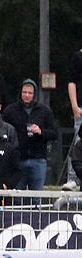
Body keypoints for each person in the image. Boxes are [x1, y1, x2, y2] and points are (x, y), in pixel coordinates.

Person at [1, 79, 57, 191]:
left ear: (34, 94)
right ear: (20, 93)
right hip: (17, 159)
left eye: (30, 93)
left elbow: (54, 134)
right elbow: (3, 131)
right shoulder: (10, 111)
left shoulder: (45, 111)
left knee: (36, 196)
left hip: (38, 159)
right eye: (24, 92)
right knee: (16, 196)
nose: (27, 95)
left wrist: (41, 131)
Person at [63, 48, 82, 190]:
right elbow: (71, 82)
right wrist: (74, 105)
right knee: (77, 142)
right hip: (81, 108)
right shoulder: (78, 56)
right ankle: (73, 178)